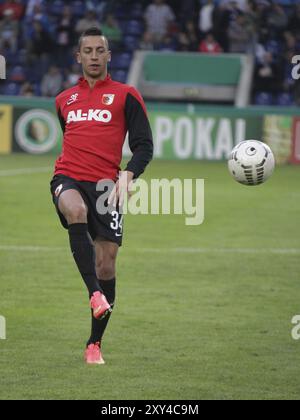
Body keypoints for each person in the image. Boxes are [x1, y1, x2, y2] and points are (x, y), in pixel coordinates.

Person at [50, 28, 153, 365]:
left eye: (100, 51)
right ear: (78, 56)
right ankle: (94, 293)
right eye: (88, 51)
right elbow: (70, 138)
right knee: (74, 209)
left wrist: (129, 172)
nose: (94, 56)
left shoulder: (126, 95)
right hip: (68, 177)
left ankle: (94, 344)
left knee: (106, 263)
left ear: (109, 56)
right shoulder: (64, 99)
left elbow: (143, 145)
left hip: (107, 187)